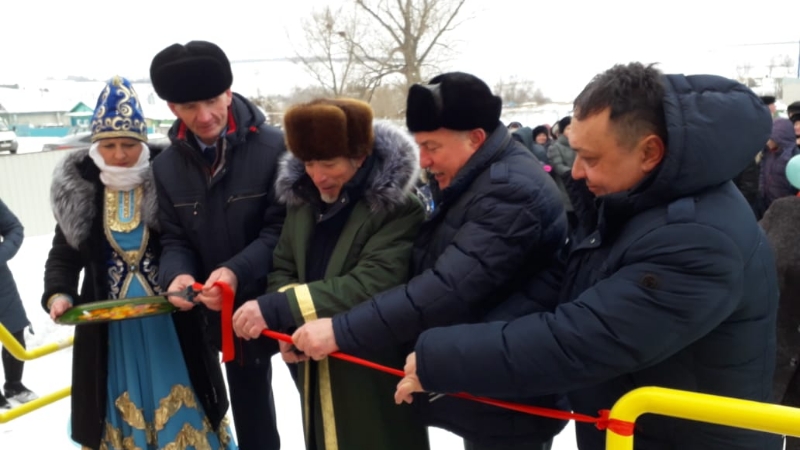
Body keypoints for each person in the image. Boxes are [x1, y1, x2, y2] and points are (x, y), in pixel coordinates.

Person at [394, 63, 782, 450]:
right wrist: (456, 337)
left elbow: (579, 341)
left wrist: (442, 358)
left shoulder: (697, 238)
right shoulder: (638, 203)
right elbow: (565, 282)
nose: (576, 172)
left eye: (591, 158)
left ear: (650, 151)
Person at [291, 72, 569, 449]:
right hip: (490, 375)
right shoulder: (478, 177)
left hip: (510, 392)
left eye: (432, 146)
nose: (424, 160)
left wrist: (340, 330)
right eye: (418, 146)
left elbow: (446, 288)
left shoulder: (509, 190)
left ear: (475, 138)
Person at [42, 76, 232, 449]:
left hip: (172, 324)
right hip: (110, 333)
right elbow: (63, 255)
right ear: (95, 146)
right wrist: (58, 293)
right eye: (109, 145)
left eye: (128, 144)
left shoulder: (169, 181)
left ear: (143, 142)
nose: (119, 154)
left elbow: (196, 242)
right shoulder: (80, 192)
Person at [232, 98, 429, 450]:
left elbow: (372, 283)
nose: (317, 175)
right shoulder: (304, 201)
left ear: (360, 157)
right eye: (308, 162)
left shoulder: (397, 207)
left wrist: (279, 307)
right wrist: (290, 328)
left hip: (371, 362)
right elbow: (283, 265)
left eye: (328, 163)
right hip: (315, 362)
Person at [149, 40, 286, 450]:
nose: (204, 116)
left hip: (284, 294)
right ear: (173, 107)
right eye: (189, 105)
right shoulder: (166, 167)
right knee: (252, 416)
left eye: (212, 100)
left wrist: (234, 270)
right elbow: (175, 238)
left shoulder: (276, 147)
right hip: (225, 312)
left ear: (229, 91)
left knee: (317, 403)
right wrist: (178, 275)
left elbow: (281, 231)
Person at [0, 198, 36, 409]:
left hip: (1, 282)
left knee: (15, 331)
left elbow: (14, 228)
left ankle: (14, 385)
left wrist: (2, 254)